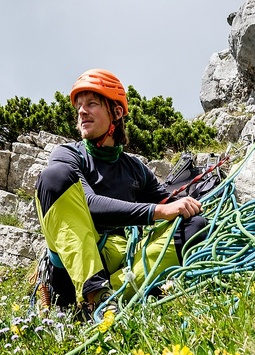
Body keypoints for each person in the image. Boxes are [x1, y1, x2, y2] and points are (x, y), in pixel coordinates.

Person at [34, 68, 208, 312]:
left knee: (194, 225)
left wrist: (187, 204)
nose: (82, 111)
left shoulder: (135, 168)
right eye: (79, 107)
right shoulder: (69, 155)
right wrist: (159, 211)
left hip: (123, 257)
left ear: (116, 113)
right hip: (78, 258)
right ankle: (95, 294)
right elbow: (91, 205)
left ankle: (106, 300)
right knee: (53, 177)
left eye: (92, 104)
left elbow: (168, 203)